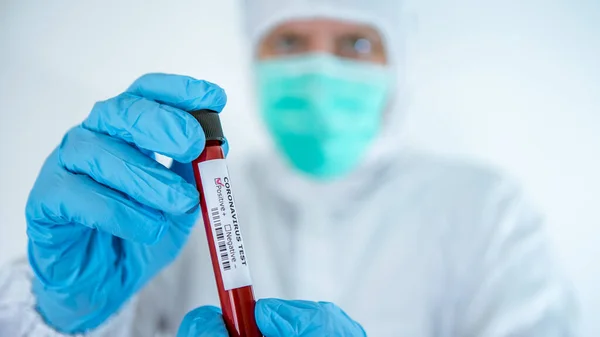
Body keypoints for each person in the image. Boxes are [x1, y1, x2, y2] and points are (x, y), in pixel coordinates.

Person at [0, 0, 578, 336]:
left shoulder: (485, 211)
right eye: (290, 41)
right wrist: (64, 316)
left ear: (396, 61)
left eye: (354, 43)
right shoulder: (178, 203)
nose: (319, 70)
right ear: (254, 54)